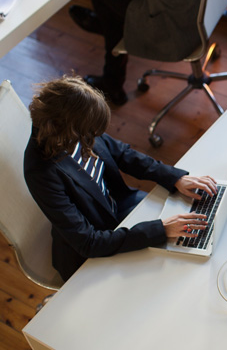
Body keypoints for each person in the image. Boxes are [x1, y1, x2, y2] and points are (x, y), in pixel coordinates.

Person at [24, 76, 215, 281]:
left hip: (120, 209)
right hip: (94, 248)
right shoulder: (41, 171)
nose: (94, 137)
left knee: (190, 250)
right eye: (89, 133)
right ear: (69, 130)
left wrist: (174, 178)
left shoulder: (77, 125)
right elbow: (88, 242)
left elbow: (123, 154)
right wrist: (160, 230)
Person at [68, 0, 202, 105]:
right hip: (200, 19)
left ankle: (112, 80)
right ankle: (105, 28)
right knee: (113, 10)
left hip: (170, 34)